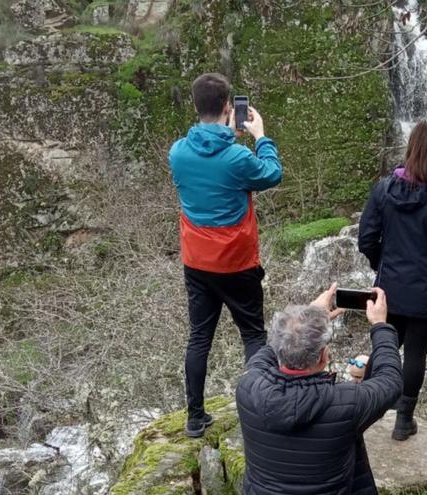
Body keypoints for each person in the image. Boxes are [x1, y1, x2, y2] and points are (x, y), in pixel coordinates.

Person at [168, 72, 282, 438]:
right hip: (236, 262)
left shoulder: (177, 152)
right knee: (253, 336)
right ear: (227, 107)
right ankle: (261, 413)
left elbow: (210, 162)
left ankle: (195, 417)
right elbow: (271, 173)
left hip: (197, 262)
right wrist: (260, 135)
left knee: (199, 337)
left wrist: (228, 134)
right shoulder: (237, 157)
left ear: (196, 106)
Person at [358, 122, 427, 441]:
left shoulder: (383, 190)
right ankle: (403, 421)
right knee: (416, 351)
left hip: (390, 287)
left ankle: (364, 407)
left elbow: (366, 238)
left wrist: (382, 264)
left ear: (409, 148)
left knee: (384, 343)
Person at [236, 285, 403, 494]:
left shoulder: (247, 387)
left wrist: (303, 323)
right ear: (324, 356)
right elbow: (390, 380)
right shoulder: (347, 404)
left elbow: (265, 354)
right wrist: (380, 324)